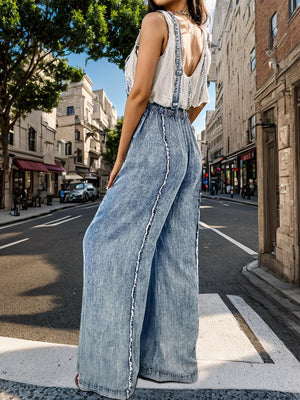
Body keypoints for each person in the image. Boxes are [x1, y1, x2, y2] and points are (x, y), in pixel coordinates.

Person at [76, 1, 211, 399]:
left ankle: (106, 373)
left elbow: (138, 95)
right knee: (176, 254)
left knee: (104, 243)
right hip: (186, 143)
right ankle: (168, 364)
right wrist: (176, 135)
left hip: (153, 135)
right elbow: (200, 100)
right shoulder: (202, 33)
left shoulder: (156, 22)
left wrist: (122, 156)